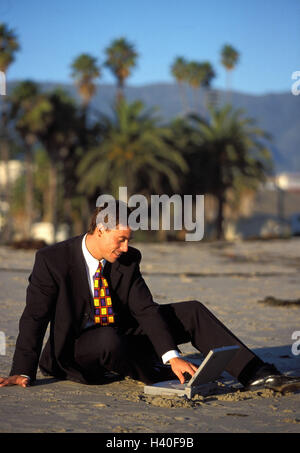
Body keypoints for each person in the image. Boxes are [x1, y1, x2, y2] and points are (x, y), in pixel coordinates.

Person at [0, 201, 298, 390]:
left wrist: (173, 354)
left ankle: (256, 372)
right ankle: (160, 375)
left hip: (123, 335)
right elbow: (35, 317)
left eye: (130, 239)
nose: (127, 247)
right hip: (77, 349)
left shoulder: (127, 260)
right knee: (107, 339)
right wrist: (22, 371)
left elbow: (145, 310)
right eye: (122, 239)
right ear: (100, 231)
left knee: (191, 310)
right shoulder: (52, 260)